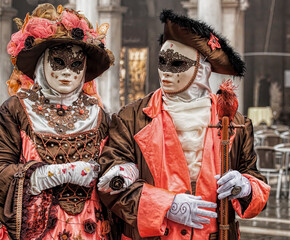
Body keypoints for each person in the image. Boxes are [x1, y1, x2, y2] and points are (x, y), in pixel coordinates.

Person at [97, 10, 270, 240]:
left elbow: (255, 182)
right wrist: (165, 205)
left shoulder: (235, 124)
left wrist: (245, 187)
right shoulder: (131, 118)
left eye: (177, 63)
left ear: (202, 71)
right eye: (162, 62)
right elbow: (110, 183)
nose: (165, 71)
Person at [0, 4, 115, 239]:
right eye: (58, 62)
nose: (67, 72)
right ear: (41, 63)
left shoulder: (99, 115)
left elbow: (116, 160)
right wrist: (58, 173)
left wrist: (120, 170)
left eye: (76, 64)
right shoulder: (13, 112)